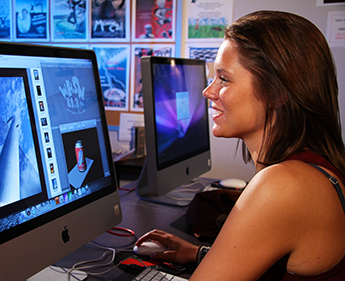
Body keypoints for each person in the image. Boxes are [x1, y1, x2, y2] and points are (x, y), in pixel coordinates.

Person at [135, 10, 345, 280]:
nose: (207, 91)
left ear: (276, 92)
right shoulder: (316, 168)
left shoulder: (284, 186)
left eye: (223, 78)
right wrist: (202, 254)